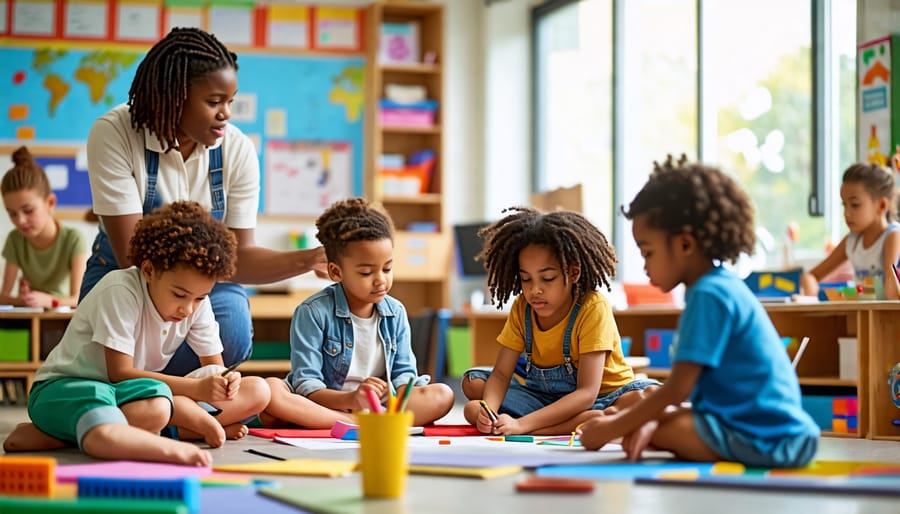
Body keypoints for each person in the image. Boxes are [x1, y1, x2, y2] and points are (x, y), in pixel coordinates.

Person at [81, 27, 326, 376]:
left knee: (233, 334)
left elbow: (239, 257)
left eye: (230, 101)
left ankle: (161, 405)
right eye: (214, 102)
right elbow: (131, 256)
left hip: (203, 283)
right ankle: (156, 400)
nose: (226, 113)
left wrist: (310, 258)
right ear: (174, 95)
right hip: (125, 272)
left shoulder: (237, 149)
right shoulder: (114, 133)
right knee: (97, 356)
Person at [579, 155, 819, 468]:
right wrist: (635, 418)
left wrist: (612, 429)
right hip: (754, 427)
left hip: (769, 439)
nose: (645, 265)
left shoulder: (709, 295)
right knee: (642, 408)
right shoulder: (715, 287)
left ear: (685, 244)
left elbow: (678, 390)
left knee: (646, 418)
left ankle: (645, 429)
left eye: (648, 252)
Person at [3, 201, 271, 464]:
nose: (189, 308)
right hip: (73, 387)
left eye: (200, 297)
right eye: (179, 294)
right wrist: (197, 391)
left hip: (128, 394)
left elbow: (214, 369)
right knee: (118, 419)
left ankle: (65, 435)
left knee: (252, 391)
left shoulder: (196, 302)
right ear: (149, 270)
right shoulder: (120, 289)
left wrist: (224, 383)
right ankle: (169, 443)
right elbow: (118, 373)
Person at [460, 207, 658, 436]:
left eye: (547, 278)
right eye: (526, 279)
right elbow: (502, 374)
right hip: (543, 399)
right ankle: (569, 423)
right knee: (474, 388)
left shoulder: (592, 307)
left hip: (602, 397)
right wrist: (489, 412)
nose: (535, 290)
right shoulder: (522, 308)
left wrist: (522, 425)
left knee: (638, 399)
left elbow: (586, 393)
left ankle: (536, 425)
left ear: (574, 273)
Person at [261, 198, 454, 428]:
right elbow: (307, 384)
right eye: (366, 272)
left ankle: (361, 421)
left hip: (378, 405)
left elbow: (404, 374)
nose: (380, 280)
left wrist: (395, 396)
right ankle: (356, 422)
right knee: (270, 390)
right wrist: (352, 399)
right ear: (335, 271)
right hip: (328, 403)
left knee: (443, 394)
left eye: (387, 268)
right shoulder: (312, 312)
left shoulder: (396, 313)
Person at [0, 147, 86, 308]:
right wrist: (23, 300)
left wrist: (51, 301)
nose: (20, 221)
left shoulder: (73, 239)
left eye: (28, 211)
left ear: (50, 203)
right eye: (12, 214)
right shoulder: (15, 239)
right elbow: (3, 297)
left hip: (60, 319)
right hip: (30, 315)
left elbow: (78, 299)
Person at [801, 163, 900, 300]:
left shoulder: (893, 236)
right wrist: (811, 296)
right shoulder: (852, 241)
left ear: (882, 205)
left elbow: (892, 290)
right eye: (844, 205)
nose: (847, 213)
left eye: (855, 205)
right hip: (864, 314)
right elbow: (810, 276)